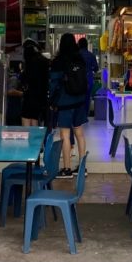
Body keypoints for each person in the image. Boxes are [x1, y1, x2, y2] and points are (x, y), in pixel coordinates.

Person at [49, 33, 87, 179]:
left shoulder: (58, 61)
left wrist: (52, 101)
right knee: (79, 133)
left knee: (65, 135)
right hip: (79, 101)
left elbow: (54, 83)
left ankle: (66, 168)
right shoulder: (80, 59)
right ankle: (82, 167)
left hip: (65, 102)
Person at [20, 39, 50, 128]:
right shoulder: (44, 61)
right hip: (41, 96)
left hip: (30, 96)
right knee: (34, 119)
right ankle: (35, 141)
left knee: (26, 118)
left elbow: (24, 80)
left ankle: (27, 140)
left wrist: (22, 71)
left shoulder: (29, 63)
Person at [77, 37, 99, 121]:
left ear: (79, 45)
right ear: (86, 45)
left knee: (78, 98)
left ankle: (77, 117)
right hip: (88, 79)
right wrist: (90, 68)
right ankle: (85, 117)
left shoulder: (77, 55)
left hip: (78, 80)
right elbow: (96, 68)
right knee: (87, 98)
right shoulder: (91, 55)